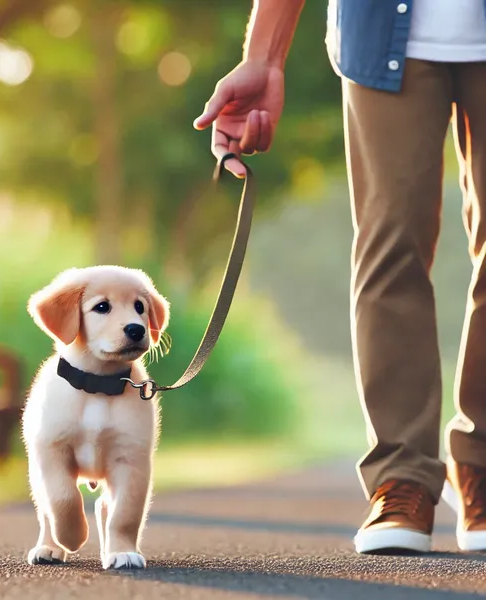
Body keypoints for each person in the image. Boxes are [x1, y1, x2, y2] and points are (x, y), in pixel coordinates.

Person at [194, 0, 486, 555]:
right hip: (384, 30)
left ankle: (484, 468)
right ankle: (401, 476)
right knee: (391, 242)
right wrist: (265, 57)